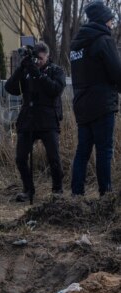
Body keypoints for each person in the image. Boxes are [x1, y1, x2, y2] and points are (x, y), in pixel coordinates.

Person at [70, 1, 121, 197]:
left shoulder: (76, 45)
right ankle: (105, 196)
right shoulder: (103, 40)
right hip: (102, 105)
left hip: (82, 105)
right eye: (110, 21)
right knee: (104, 151)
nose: (111, 25)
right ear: (103, 20)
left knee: (82, 151)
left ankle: (76, 194)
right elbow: (116, 72)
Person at [4, 41, 66, 203]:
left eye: (40, 58)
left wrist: (37, 73)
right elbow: (11, 88)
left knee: (53, 157)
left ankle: (57, 190)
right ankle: (28, 189)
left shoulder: (56, 71)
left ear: (47, 56)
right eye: (35, 59)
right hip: (28, 119)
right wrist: (22, 67)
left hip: (48, 119)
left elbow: (55, 89)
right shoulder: (27, 71)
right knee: (21, 157)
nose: (38, 62)